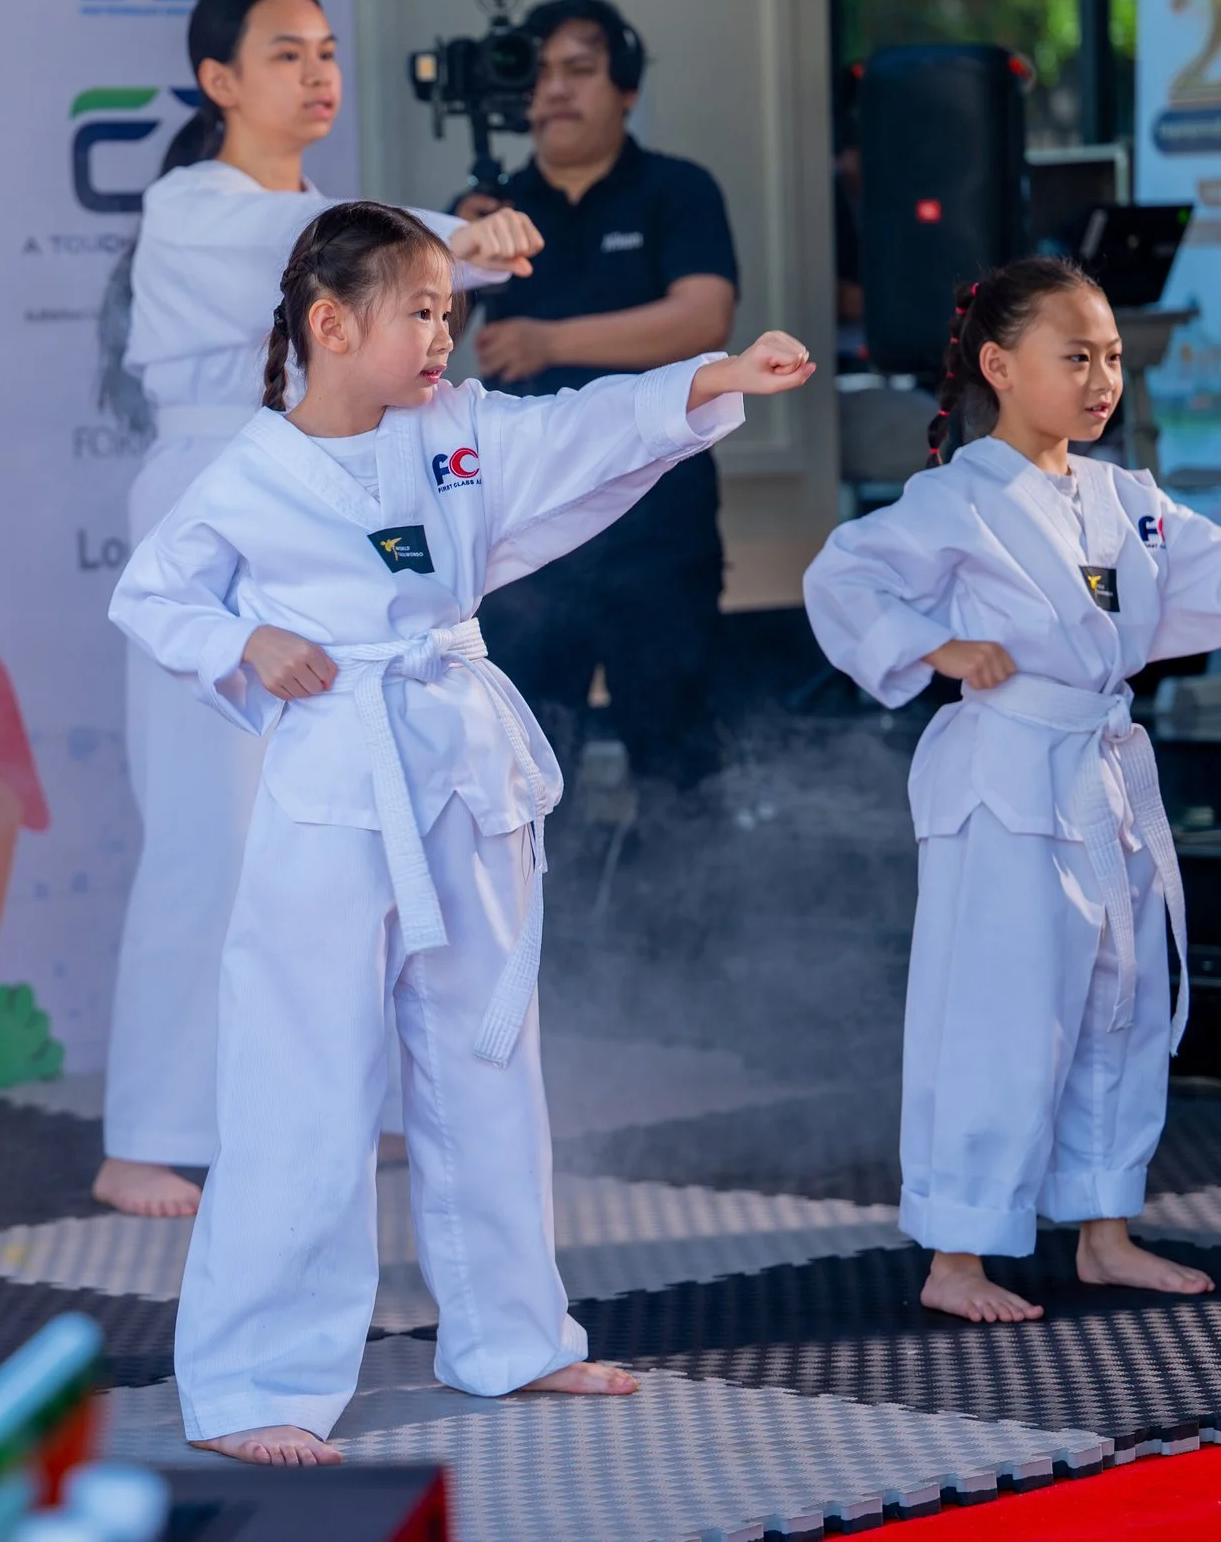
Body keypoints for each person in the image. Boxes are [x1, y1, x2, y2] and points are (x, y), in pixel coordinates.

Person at [112, 200, 812, 1463]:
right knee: (304, 1079)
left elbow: (590, 424)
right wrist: (243, 641)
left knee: (488, 1061)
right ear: (330, 324)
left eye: (450, 308)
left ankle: (511, 1335)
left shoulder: (459, 432)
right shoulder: (250, 470)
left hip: (460, 760)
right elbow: (152, 593)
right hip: (336, 779)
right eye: (418, 310)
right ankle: (254, 1378)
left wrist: (719, 375)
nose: (444, 333)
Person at [803, 257, 1221, 1323]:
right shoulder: (952, 497)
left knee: (1114, 1005)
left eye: (1113, 357)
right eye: (1075, 355)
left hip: (1102, 772)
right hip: (1003, 777)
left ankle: (1103, 1224)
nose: (1101, 378)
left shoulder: (1123, 499)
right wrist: (934, 643)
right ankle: (957, 1251)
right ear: (998, 365)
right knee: (996, 1013)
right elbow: (843, 576)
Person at [98, 0, 544, 1218]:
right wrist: (452, 232)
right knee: (208, 827)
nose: (315, 73)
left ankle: (344, 1090)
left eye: (326, 51)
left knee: (335, 813)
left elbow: (397, 277)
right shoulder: (196, 203)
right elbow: (308, 250)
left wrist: (461, 246)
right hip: (215, 491)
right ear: (219, 81)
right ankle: (150, 1128)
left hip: (326, 492)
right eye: (284, 53)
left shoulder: (338, 227)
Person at [454, 0, 740, 789]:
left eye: (579, 70)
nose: (555, 91)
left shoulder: (676, 189)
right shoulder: (490, 213)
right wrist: (451, 251)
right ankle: (544, 915)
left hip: (661, 526)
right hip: (529, 531)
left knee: (677, 755)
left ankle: (686, 912)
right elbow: (414, 345)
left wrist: (550, 341)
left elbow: (704, 315)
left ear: (626, 90)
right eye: (539, 73)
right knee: (527, 764)